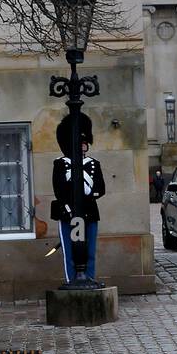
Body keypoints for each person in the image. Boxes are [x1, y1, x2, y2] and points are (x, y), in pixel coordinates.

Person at [51, 115, 106, 284]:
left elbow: (100, 189)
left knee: (89, 250)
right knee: (70, 251)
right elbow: (59, 190)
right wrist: (70, 207)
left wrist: (87, 197)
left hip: (88, 212)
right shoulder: (61, 164)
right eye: (81, 142)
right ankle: (71, 280)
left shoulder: (93, 164)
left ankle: (89, 278)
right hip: (69, 213)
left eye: (85, 142)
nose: (84, 145)